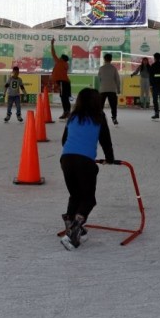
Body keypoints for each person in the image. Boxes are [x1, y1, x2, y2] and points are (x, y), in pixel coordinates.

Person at [59, 88, 115, 250]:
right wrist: (109, 159)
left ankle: (71, 222)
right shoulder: (99, 117)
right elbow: (105, 140)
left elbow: (64, 140)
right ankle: (74, 229)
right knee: (89, 199)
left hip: (66, 160)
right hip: (84, 162)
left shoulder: (72, 116)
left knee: (75, 195)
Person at [50, 38, 71, 119]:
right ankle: (67, 112)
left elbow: (53, 53)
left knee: (63, 98)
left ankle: (66, 112)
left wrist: (52, 44)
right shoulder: (65, 64)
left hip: (63, 82)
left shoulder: (60, 62)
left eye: (60, 57)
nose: (59, 58)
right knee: (65, 98)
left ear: (62, 59)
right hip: (66, 83)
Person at [98, 52, 121, 125]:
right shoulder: (114, 68)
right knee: (113, 105)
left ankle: (99, 118)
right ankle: (114, 118)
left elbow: (99, 79)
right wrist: (118, 88)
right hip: (112, 89)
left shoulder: (101, 68)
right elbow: (117, 79)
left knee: (100, 105)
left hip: (103, 89)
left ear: (104, 59)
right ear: (111, 59)